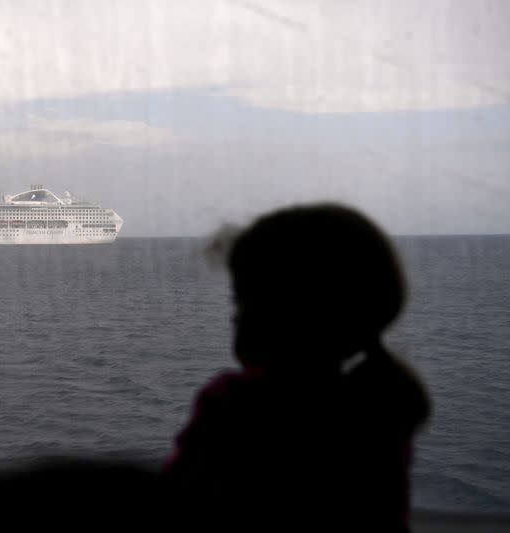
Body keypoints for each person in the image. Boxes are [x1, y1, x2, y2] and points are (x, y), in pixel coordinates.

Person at [162, 204, 431, 531]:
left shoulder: (233, 404)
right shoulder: (380, 406)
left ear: (295, 314)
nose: (235, 316)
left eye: (244, 300)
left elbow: (177, 500)